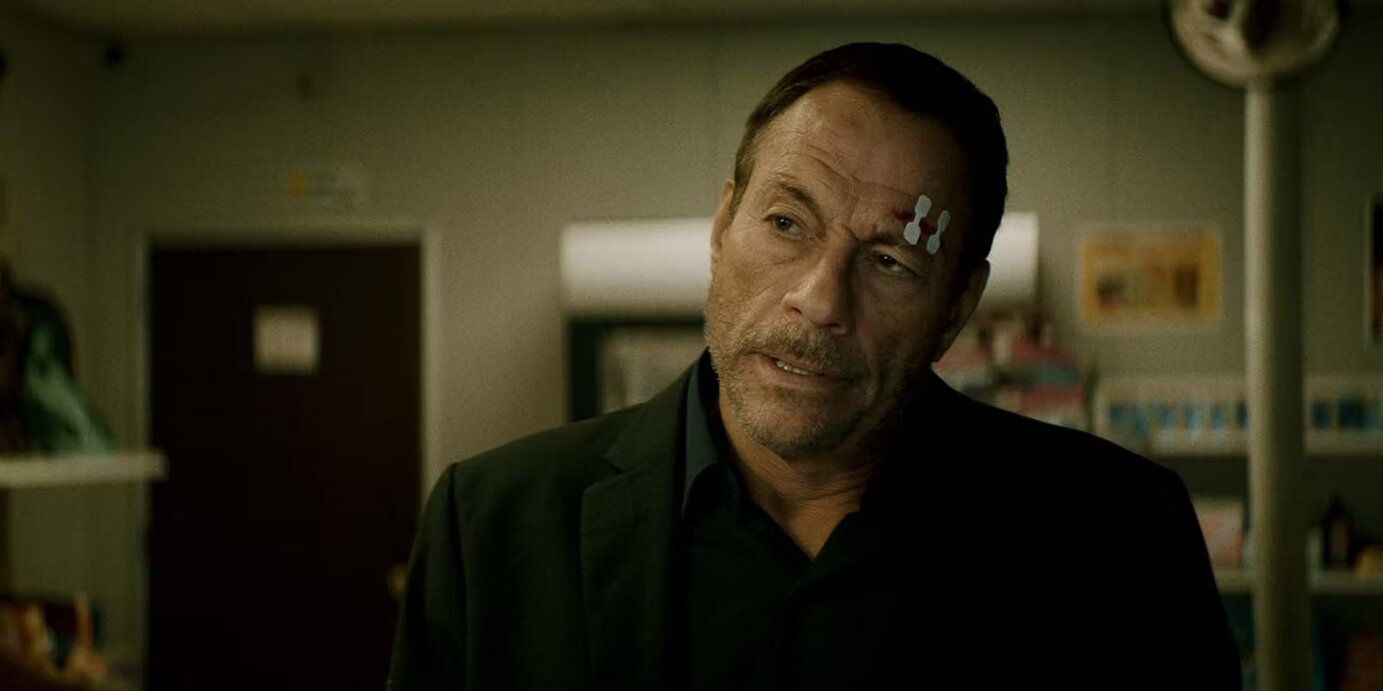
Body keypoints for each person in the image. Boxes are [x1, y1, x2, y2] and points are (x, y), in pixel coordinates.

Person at [388, 42, 1241, 690]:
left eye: (891, 261)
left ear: (956, 306)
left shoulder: (1117, 541)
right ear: (722, 226)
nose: (820, 299)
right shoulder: (492, 527)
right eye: (786, 224)